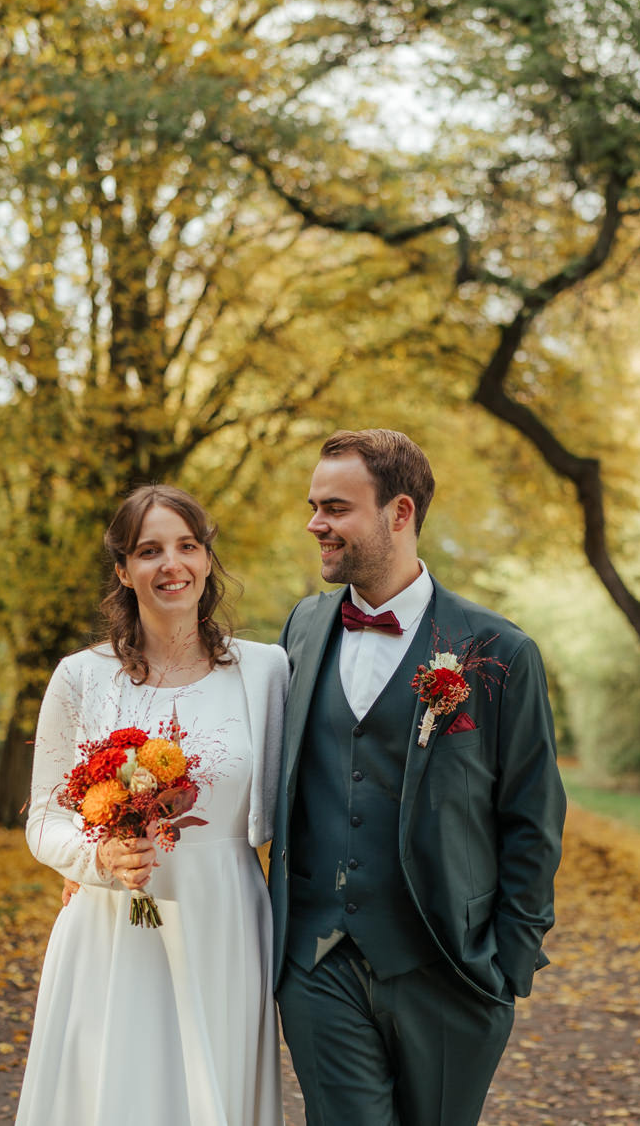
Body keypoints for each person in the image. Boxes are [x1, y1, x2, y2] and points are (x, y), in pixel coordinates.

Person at [269, 428, 566, 1126]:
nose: (316, 523)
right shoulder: (303, 628)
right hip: (319, 963)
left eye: (336, 507)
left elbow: (533, 816)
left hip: (450, 974)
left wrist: (505, 968)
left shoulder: (498, 651)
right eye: (314, 505)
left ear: (399, 513)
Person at [15, 484, 285, 1126]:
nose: (172, 565)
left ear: (208, 559)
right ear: (122, 570)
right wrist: (95, 856)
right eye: (150, 550)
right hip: (112, 920)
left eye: (188, 546)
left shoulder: (266, 671)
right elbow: (45, 818)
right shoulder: (81, 677)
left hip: (225, 913)